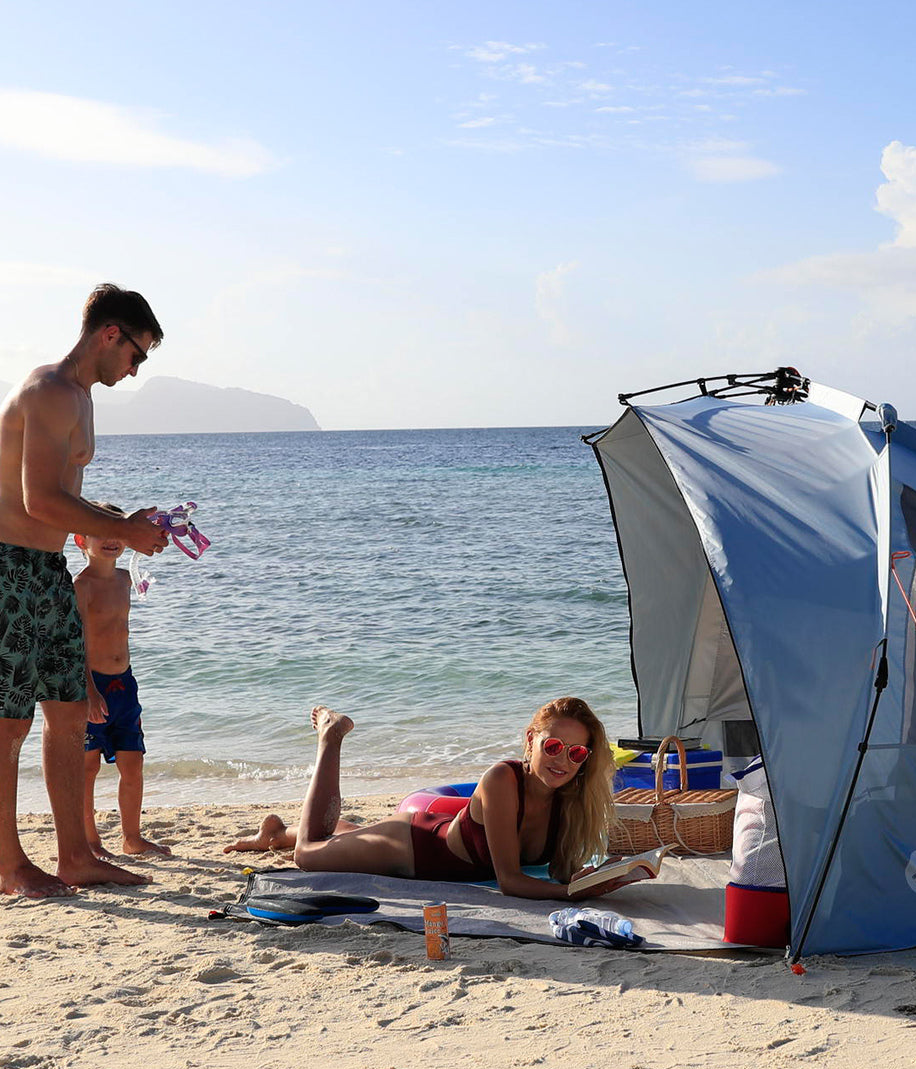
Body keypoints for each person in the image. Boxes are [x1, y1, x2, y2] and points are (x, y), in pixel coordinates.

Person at [0, 284, 169, 897]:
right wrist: (121, 529)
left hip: (45, 570)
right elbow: (36, 499)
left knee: (71, 716)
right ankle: (9, 863)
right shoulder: (47, 391)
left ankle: (76, 855)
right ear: (109, 334)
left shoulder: (82, 397)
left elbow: (64, 499)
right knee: (9, 722)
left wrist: (128, 522)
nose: (136, 368)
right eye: (137, 355)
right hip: (9, 568)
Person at [235, 698, 631, 900]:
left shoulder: (571, 798)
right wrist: (568, 893)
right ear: (531, 741)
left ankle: (277, 833)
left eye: (577, 753)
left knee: (346, 839)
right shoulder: (502, 779)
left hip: (436, 837)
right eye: (555, 746)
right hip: (414, 849)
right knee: (308, 854)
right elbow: (510, 882)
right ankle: (331, 736)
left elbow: (560, 870)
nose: (563, 760)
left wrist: (591, 876)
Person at [73, 503, 171, 859]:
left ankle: (132, 837)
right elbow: (74, 644)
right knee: (88, 768)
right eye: (102, 533)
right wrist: (88, 691)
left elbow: (153, 544)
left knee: (133, 763)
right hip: (92, 686)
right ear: (80, 539)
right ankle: (90, 841)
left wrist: (162, 531)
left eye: (119, 532)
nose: (112, 540)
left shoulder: (125, 578)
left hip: (124, 685)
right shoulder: (80, 586)